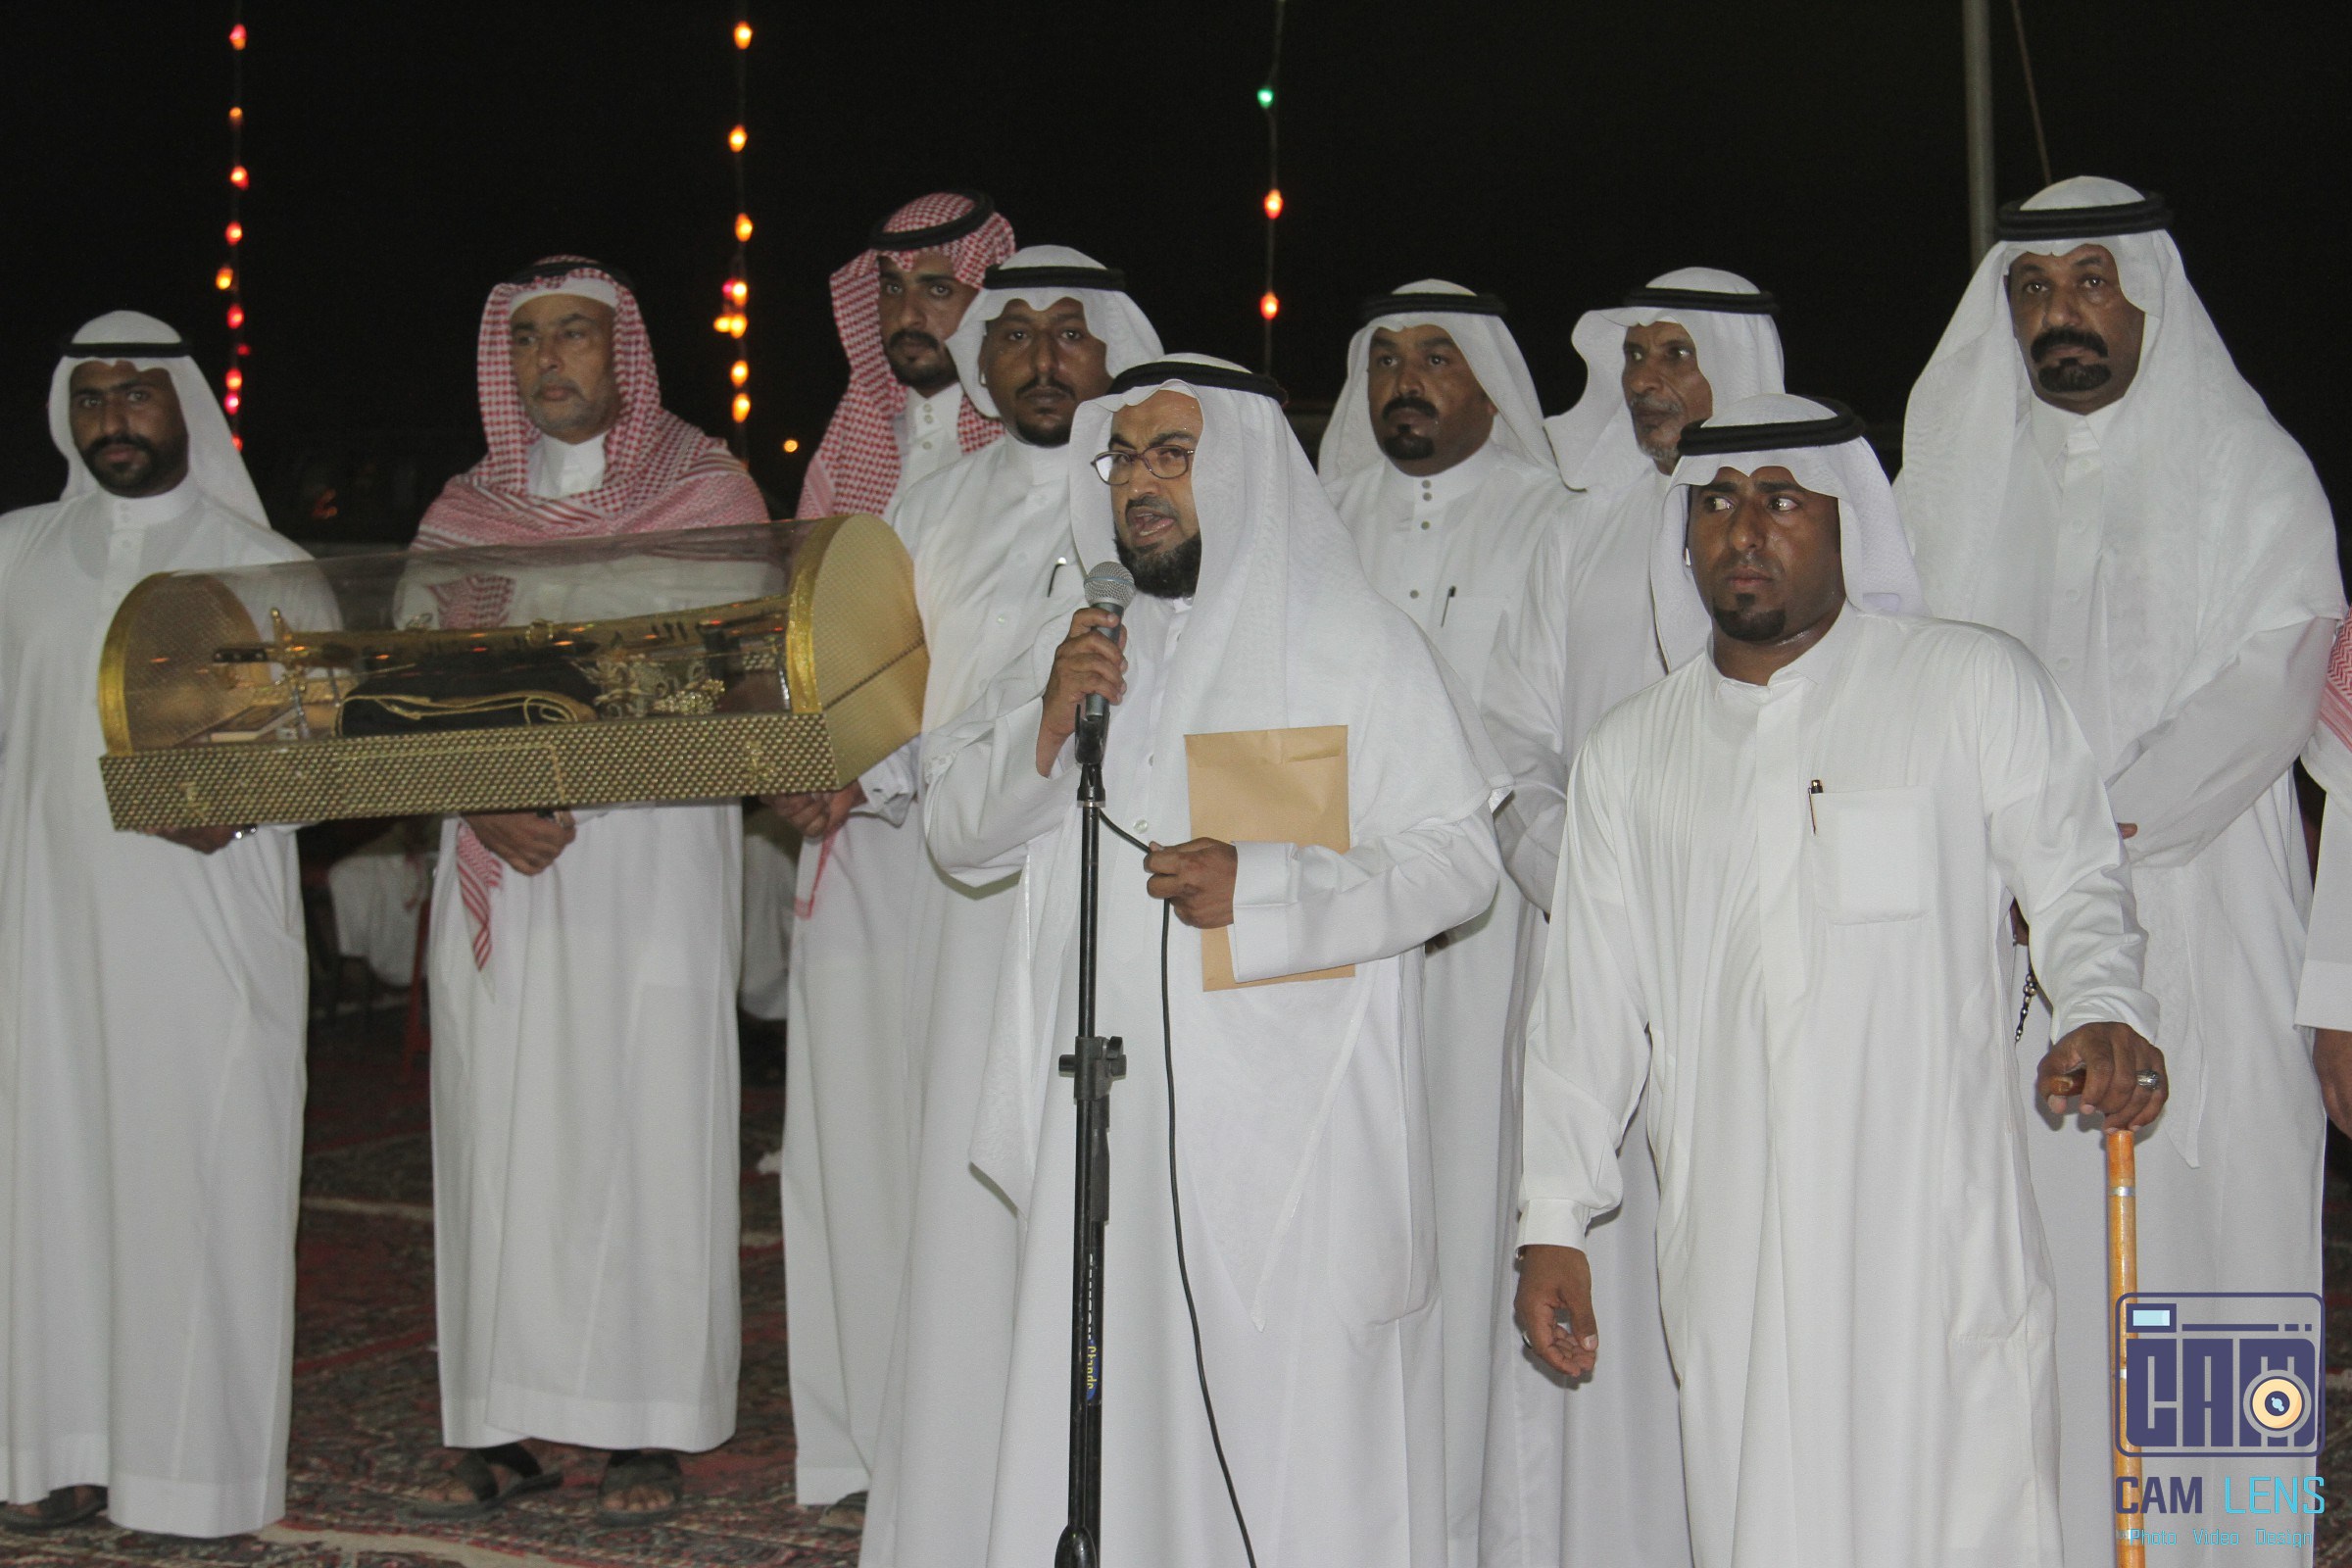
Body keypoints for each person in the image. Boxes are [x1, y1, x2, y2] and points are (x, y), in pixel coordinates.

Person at [1517, 393, 2165, 1567]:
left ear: (1847, 519)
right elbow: (1586, 1013)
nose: (1743, 529)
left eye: (1781, 500)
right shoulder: (1628, 755)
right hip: (1737, 1248)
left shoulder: (1970, 684)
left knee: (1967, 1515)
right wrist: (1552, 1221)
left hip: (1937, 1232)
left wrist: (2105, 1007)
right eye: (1716, 502)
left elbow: (2078, 882)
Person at [924, 356, 1505, 1565]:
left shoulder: (1353, 644)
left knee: (1290, 1447)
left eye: (1172, 457)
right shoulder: (1079, 647)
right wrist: (1047, 725)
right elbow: (959, 838)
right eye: (1123, 458)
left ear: (1240, 470)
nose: (1138, 484)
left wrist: (1272, 889)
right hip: (1108, 1132)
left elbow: (1459, 862)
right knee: (1118, 1421)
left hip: (1294, 1148)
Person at [1899, 177, 2342, 1564]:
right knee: (2033, 1303)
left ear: (2147, 294)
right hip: (2004, 972)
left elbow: (2269, 687)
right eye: (2033, 290)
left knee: (2217, 1288)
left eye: (2091, 281)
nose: (2061, 314)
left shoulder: (2250, 474)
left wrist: (2082, 843)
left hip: (2211, 936)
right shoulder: (1952, 490)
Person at [410, 258, 770, 1524]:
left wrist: (577, 779)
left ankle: (647, 1423)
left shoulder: (708, 493)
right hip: (504, 858)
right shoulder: (463, 512)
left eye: (574, 334)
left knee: (645, 1127)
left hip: (650, 863)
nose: (550, 359)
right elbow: (402, 685)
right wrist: (481, 794)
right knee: (497, 1138)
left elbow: (738, 677)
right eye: (527, 340)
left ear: (625, 352)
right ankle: (500, 1418)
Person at [826, 247, 1159, 1565]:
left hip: (1124, 905)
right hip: (966, 910)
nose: (1042, 356)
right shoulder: (928, 510)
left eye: (1070, 331)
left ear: (1113, 351)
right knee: (967, 1220)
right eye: (1013, 332)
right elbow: (880, 710)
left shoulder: (1158, 497)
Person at [1477, 270, 1782, 1568]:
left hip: (1748, 965)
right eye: (1638, 355)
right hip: (1590, 957)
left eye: (1677, 353)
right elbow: (1510, 742)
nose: (1650, 379)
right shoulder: (1578, 534)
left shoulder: (1798, 539)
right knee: (1590, 1258)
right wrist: (1590, 879)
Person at [0, 313, 311, 1537]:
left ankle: (195, 1473)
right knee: (53, 1181)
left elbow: (326, 757)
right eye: (91, 398)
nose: (113, 419)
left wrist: (242, 804)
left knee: (197, 1180)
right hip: (47, 937)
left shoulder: (263, 562)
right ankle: (61, 1449)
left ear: (187, 406)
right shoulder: (16, 552)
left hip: (203, 934)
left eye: (136, 394)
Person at [1317, 278, 1565, 1568]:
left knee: (1472, 1215)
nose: (1405, 384)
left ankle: (1468, 1525)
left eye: (1435, 359)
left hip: (1489, 938)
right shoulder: (1323, 522)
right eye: (1384, 361)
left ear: (1489, 381)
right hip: (1339, 926)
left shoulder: (1549, 521)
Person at [775, 189, 1014, 1513]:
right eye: (894, 291)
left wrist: (874, 766)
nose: (914, 315)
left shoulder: (1034, 460)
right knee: (855, 1150)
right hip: (857, 865)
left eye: (942, 289)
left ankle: (976, 1450)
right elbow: (799, 641)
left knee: (970, 1150)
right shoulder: (845, 454)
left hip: (985, 866)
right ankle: (865, 1443)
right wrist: (794, 762)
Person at [797, 190, 1017, 519]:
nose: (906, 317)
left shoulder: (1025, 449)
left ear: (986, 303)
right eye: (893, 288)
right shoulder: (853, 447)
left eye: (938, 290)